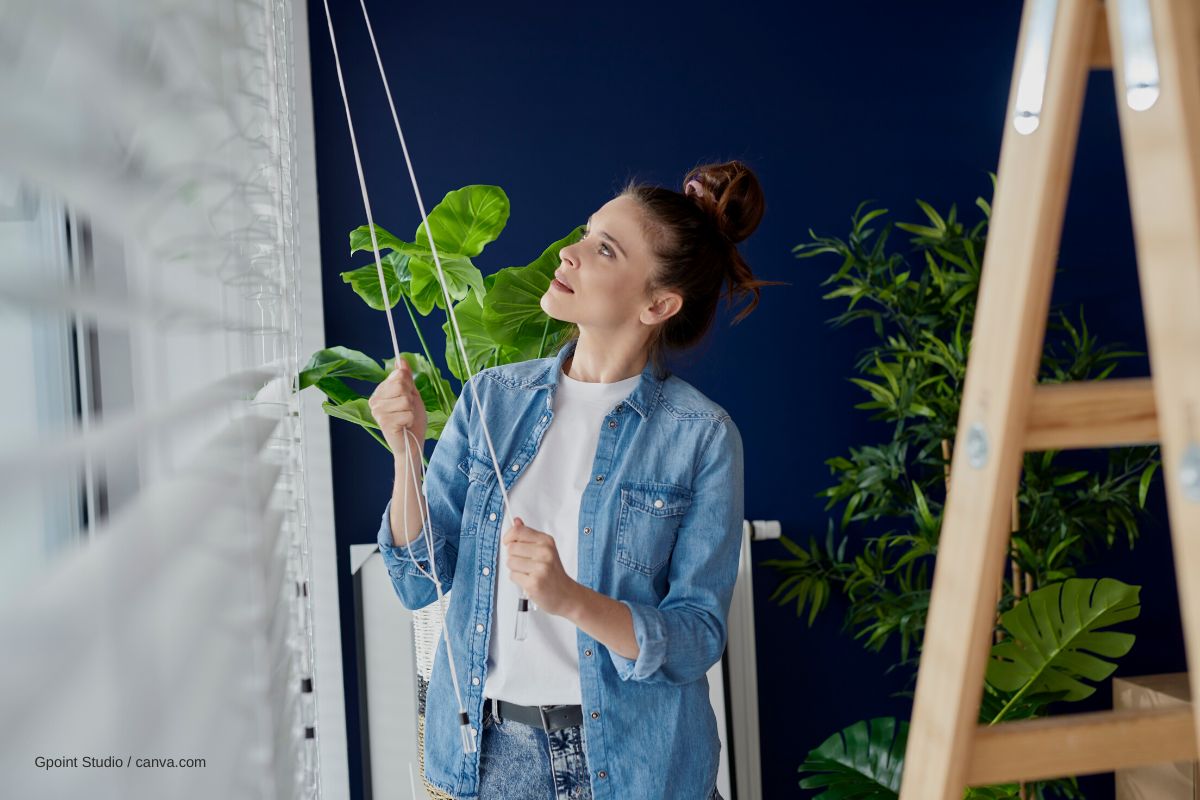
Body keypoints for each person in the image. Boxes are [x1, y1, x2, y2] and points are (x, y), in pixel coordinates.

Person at [370, 160, 781, 800]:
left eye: (604, 249)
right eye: (588, 234)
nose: (571, 252)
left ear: (658, 303)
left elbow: (696, 636)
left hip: (640, 770)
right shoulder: (493, 399)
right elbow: (415, 580)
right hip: (491, 761)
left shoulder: (701, 436)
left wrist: (571, 599)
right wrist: (406, 452)